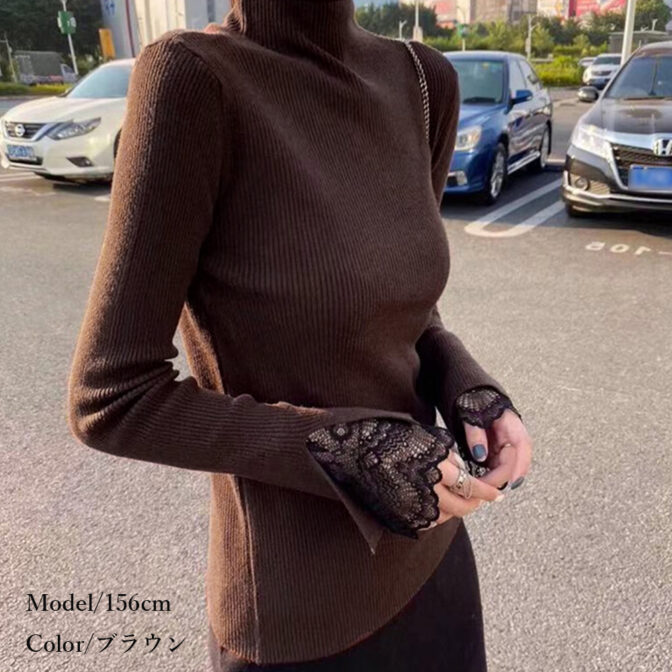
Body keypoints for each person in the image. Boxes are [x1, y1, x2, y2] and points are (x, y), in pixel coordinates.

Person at [66, 1, 533, 670]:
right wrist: (347, 452)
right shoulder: (194, 79)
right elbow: (109, 399)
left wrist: (470, 386)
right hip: (299, 618)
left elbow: (404, 308)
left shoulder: (424, 79)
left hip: (434, 567)